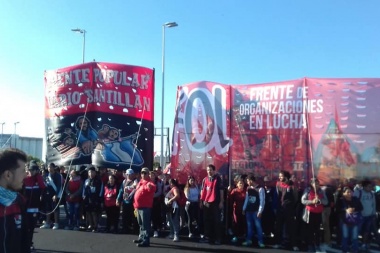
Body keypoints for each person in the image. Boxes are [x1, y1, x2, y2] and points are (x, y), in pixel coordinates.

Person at [0, 148, 29, 253]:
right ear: (8, 175)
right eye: (23, 171)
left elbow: (24, 241)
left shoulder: (19, 201)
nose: (26, 174)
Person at [273, 170, 299, 251]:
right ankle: (277, 243)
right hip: (280, 209)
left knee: (291, 228)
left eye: (281, 176)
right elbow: (276, 196)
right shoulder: (278, 184)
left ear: (286, 177)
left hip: (289, 210)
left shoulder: (292, 185)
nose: (279, 177)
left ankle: (294, 245)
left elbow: (296, 198)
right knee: (278, 227)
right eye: (279, 176)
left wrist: (290, 206)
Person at [199, 164, 224, 245]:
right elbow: (202, 191)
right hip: (206, 203)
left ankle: (218, 238)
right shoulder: (205, 179)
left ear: (214, 170)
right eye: (208, 170)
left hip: (215, 202)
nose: (209, 171)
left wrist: (221, 201)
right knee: (206, 220)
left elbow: (221, 190)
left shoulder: (218, 179)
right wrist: (201, 201)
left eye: (210, 170)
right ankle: (207, 237)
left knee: (216, 221)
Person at [23, 160, 45, 251]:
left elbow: (43, 187)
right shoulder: (25, 179)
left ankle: (30, 243)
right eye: (29, 170)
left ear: (36, 171)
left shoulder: (38, 179)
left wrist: (38, 177)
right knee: (24, 227)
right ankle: (24, 243)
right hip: (24, 208)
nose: (30, 172)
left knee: (31, 227)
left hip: (34, 208)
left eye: (32, 170)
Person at [301, 178, 328, 252]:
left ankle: (317, 244)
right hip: (310, 213)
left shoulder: (322, 191)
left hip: (319, 213)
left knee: (317, 230)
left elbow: (326, 202)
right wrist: (312, 201)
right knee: (310, 230)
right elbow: (303, 200)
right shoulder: (308, 190)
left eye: (317, 183)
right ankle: (310, 245)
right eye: (314, 183)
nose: (315, 185)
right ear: (311, 184)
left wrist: (319, 200)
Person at [133, 167, 156, 247]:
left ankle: (146, 240)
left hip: (145, 207)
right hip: (138, 206)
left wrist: (150, 187)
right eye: (142, 173)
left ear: (148, 174)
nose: (143, 174)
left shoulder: (149, 182)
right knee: (140, 224)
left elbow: (153, 187)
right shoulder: (141, 181)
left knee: (145, 224)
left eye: (145, 173)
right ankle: (141, 237)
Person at [353, 180, 379, 251]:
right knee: (357, 231)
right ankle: (354, 244)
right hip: (360, 216)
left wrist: (373, 213)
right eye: (369, 187)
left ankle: (364, 244)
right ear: (364, 186)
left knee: (366, 231)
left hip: (369, 216)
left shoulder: (372, 194)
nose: (370, 188)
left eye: (371, 187)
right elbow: (353, 201)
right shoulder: (358, 192)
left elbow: (374, 204)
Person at [336, 186, 363, 253]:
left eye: (351, 191)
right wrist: (346, 210)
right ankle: (344, 250)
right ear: (343, 193)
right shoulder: (340, 200)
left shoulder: (355, 199)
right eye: (347, 192)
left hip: (355, 220)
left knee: (355, 237)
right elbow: (337, 210)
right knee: (345, 236)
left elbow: (361, 207)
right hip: (344, 221)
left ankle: (355, 250)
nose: (350, 193)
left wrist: (354, 209)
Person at [242, 174, 265, 247]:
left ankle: (260, 241)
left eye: (248, 181)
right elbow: (246, 199)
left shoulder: (260, 189)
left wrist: (260, 211)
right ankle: (248, 240)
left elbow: (262, 201)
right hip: (249, 210)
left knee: (258, 226)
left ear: (251, 180)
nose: (247, 182)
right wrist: (244, 208)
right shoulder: (248, 188)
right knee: (249, 226)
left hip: (256, 211)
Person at [40, 163, 63, 230]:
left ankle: (56, 223)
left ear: (53, 167)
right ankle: (47, 223)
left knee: (55, 209)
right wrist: (42, 194)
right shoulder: (47, 175)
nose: (49, 168)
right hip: (48, 194)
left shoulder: (58, 175)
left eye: (50, 167)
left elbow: (59, 186)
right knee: (48, 209)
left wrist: (56, 194)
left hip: (55, 194)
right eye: (48, 167)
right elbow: (45, 185)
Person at [82, 166, 103, 232]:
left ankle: (95, 226)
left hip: (95, 198)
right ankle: (90, 225)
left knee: (94, 213)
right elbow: (84, 189)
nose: (90, 173)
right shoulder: (86, 180)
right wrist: (83, 196)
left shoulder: (98, 181)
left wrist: (99, 199)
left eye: (92, 172)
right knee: (88, 212)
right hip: (88, 199)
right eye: (89, 172)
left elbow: (101, 191)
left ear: (95, 173)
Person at [117, 168, 137, 234]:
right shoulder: (124, 181)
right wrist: (118, 199)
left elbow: (135, 187)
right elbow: (121, 191)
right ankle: (125, 228)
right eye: (127, 174)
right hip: (125, 201)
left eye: (130, 174)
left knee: (134, 216)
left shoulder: (135, 181)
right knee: (125, 216)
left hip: (133, 202)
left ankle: (135, 229)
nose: (129, 176)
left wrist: (128, 188)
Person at [229, 175, 247, 244]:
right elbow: (230, 200)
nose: (241, 185)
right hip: (236, 209)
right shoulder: (234, 191)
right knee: (236, 222)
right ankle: (235, 235)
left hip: (244, 210)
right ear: (237, 184)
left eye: (242, 183)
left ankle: (243, 235)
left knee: (243, 222)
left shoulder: (246, 191)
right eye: (240, 183)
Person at [150, 170, 163, 238]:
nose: (151, 177)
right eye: (150, 175)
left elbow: (159, 192)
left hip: (155, 202)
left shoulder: (157, 183)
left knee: (155, 216)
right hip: (147, 201)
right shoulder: (146, 182)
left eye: (152, 175)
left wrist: (152, 195)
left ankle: (156, 230)